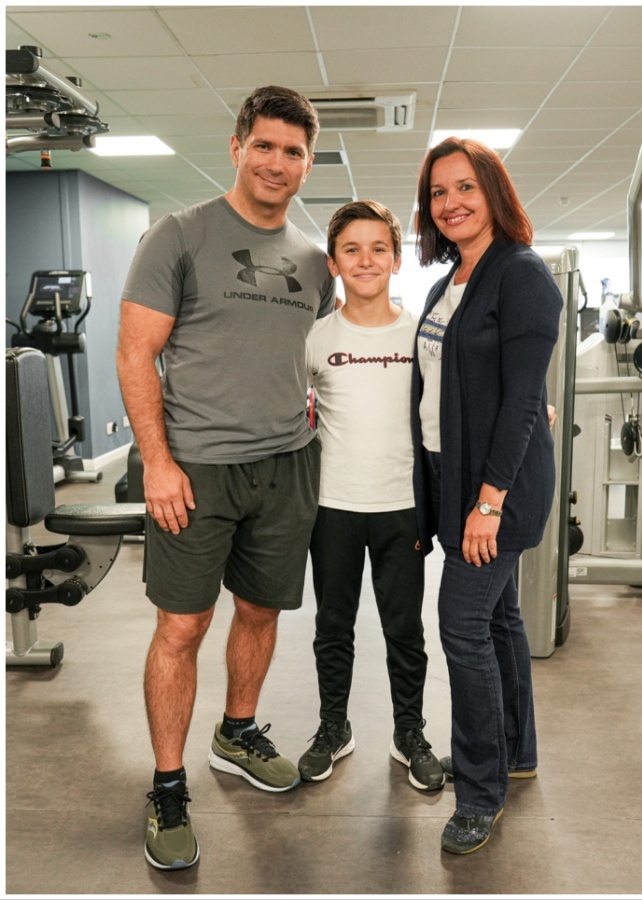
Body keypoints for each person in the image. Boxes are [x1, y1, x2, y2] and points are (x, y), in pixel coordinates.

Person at [115, 85, 335, 871]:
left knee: (261, 611)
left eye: (295, 152)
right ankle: (169, 785)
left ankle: (237, 731)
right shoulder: (179, 236)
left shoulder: (316, 261)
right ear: (238, 146)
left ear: (309, 164)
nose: (278, 163)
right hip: (196, 468)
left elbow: (333, 358)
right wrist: (158, 463)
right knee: (182, 627)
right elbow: (135, 352)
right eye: (266, 146)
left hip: (286, 465)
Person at [410, 137, 562, 854]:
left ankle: (479, 792)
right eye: (439, 193)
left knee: (461, 625)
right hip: (457, 480)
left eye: (465, 187)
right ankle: (515, 752)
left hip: (496, 490)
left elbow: (523, 400)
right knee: (498, 620)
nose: (452, 203)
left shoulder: (521, 274)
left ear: (493, 192)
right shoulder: (451, 282)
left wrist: (489, 500)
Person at [297, 200, 446, 791]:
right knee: (333, 625)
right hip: (331, 506)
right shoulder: (314, 338)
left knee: (405, 628)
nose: (365, 260)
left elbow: (459, 396)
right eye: (351, 250)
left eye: (378, 248)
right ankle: (334, 726)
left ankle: (408, 731)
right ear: (334, 263)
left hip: (401, 506)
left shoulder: (422, 334)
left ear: (397, 259)